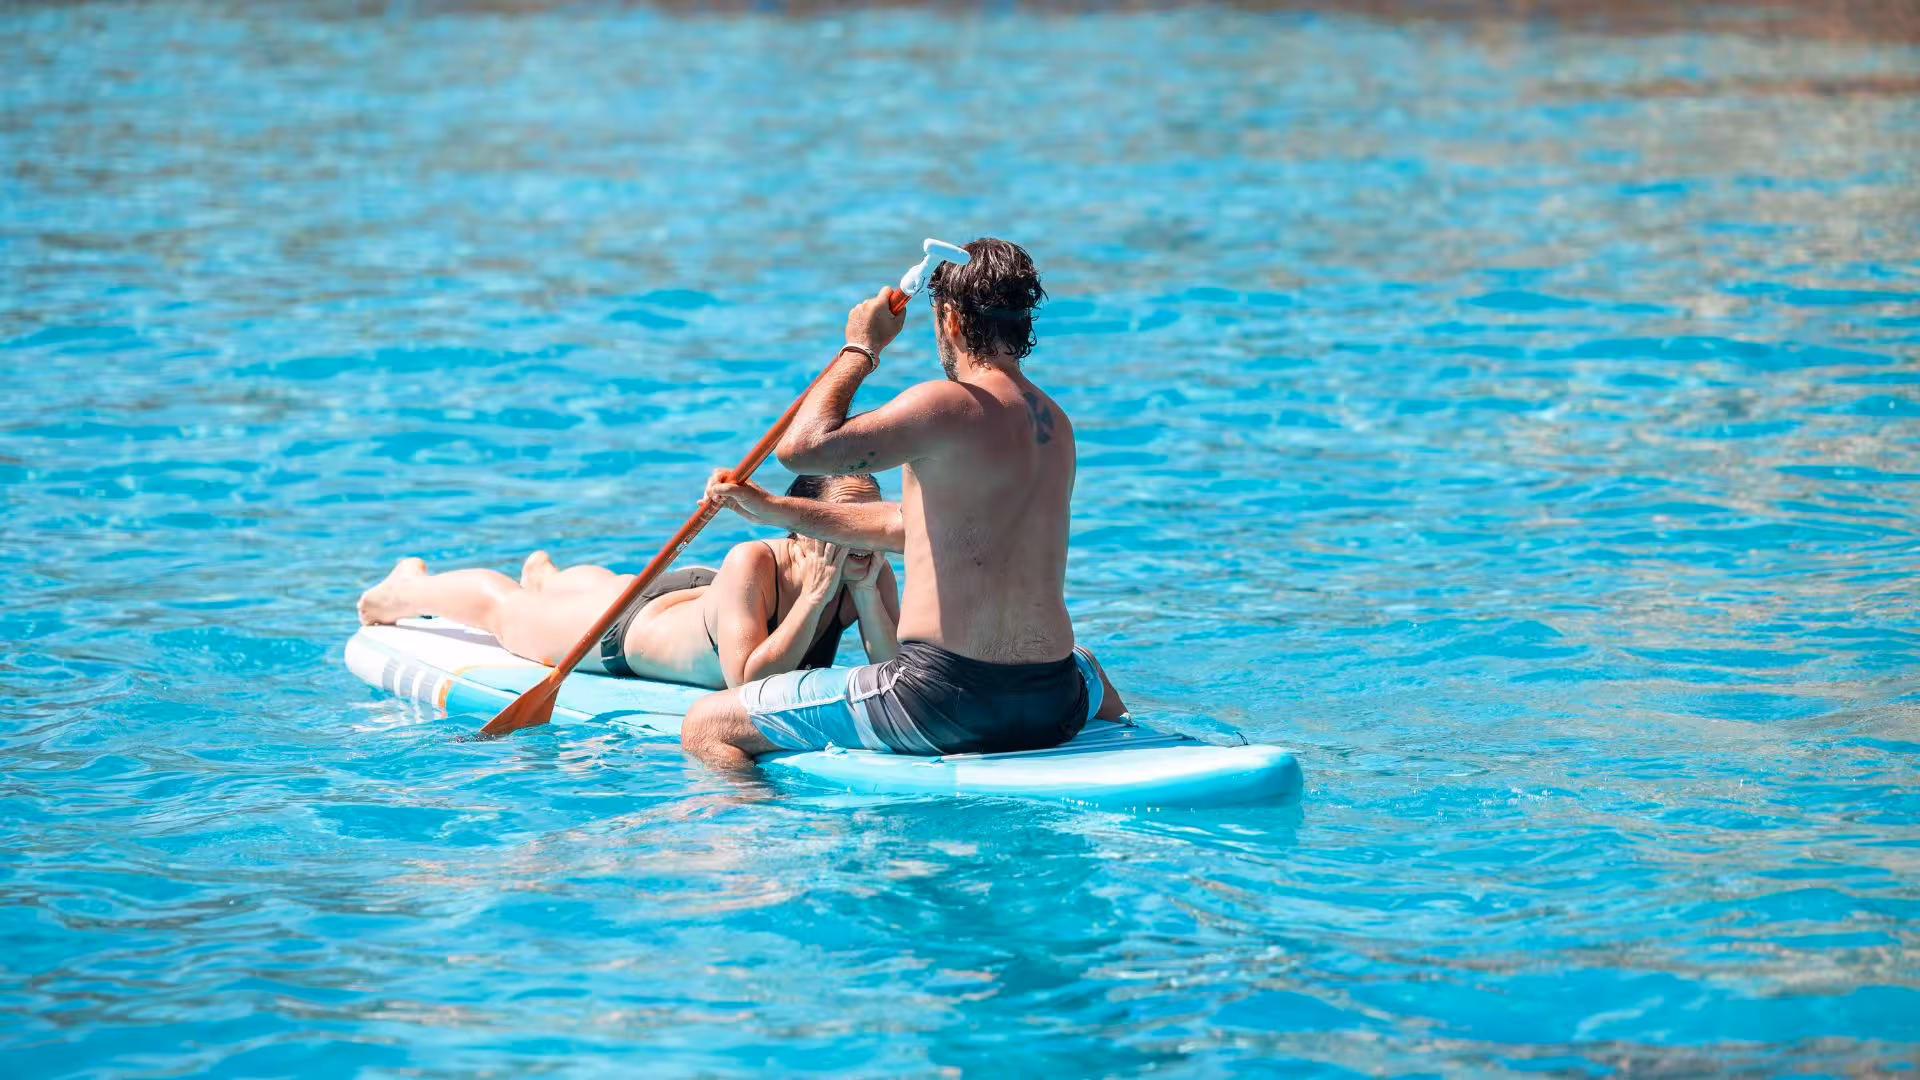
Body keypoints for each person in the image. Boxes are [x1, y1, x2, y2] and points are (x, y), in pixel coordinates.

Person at [683, 237, 1127, 769]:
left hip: (945, 702)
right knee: (1084, 663)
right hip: (1053, 701)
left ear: (952, 322)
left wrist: (861, 348)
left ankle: (755, 839)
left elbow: (800, 450)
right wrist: (775, 510)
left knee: (704, 724)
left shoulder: (943, 405)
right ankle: (1130, 734)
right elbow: (917, 526)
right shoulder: (1056, 423)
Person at [355, 474, 900, 690]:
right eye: (843, 529)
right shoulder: (753, 560)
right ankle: (406, 588)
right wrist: (818, 594)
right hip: (627, 630)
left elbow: (893, 667)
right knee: (508, 612)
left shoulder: (867, 570)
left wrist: (864, 593)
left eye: (867, 527)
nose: (863, 542)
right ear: (801, 531)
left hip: (696, 598)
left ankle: (550, 577)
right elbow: (746, 685)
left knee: (612, 582)